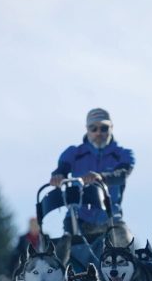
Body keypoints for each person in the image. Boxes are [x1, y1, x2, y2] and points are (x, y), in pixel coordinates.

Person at [49, 108, 135, 257]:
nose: (98, 133)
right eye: (93, 128)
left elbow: (122, 173)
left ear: (111, 128)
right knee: (64, 255)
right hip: (79, 219)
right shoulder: (74, 153)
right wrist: (58, 176)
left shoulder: (123, 154)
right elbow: (62, 169)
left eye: (103, 128)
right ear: (87, 130)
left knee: (126, 250)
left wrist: (102, 177)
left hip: (111, 220)